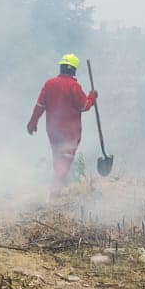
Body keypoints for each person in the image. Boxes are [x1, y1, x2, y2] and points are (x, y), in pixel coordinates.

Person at [26, 53, 98, 198]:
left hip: (52, 130)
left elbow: (40, 105)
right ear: (73, 70)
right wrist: (92, 97)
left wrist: (33, 122)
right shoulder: (74, 86)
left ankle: (61, 185)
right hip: (70, 131)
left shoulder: (49, 84)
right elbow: (84, 106)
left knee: (58, 155)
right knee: (65, 159)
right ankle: (54, 191)